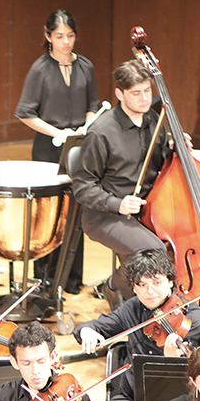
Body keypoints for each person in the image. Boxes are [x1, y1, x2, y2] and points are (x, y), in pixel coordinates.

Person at [16, 9, 97, 296]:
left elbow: (93, 104)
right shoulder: (40, 69)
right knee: (48, 212)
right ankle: (44, 280)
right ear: (48, 36)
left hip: (77, 149)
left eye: (70, 36)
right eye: (60, 36)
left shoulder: (86, 66)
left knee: (76, 209)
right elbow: (25, 112)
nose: (66, 42)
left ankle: (72, 280)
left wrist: (87, 126)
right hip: (48, 148)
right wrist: (57, 132)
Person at [73, 247, 200, 401]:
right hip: (132, 396)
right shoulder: (132, 307)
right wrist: (86, 331)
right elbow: (97, 326)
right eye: (142, 284)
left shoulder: (192, 318)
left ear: (170, 282)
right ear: (134, 287)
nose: (149, 291)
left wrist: (171, 361)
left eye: (156, 283)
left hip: (175, 400)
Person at [72, 59, 169, 268]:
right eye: (136, 93)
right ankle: (114, 287)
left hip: (149, 208)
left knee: (170, 250)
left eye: (147, 91)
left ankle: (122, 289)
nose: (145, 99)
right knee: (153, 253)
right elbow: (83, 186)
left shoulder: (154, 119)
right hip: (106, 215)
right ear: (119, 94)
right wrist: (119, 204)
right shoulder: (101, 132)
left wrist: (175, 149)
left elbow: (162, 163)